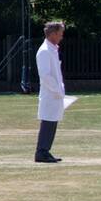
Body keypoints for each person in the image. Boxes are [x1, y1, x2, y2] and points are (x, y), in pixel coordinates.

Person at [35, 20, 67, 163]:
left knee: (52, 121)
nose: (61, 36)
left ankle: (45, 151)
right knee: (48, 122)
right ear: (53, 34)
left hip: (55, 94)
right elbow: (45, 75)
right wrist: (57, 90)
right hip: (50, 94)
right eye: (60, 33)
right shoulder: (44, 51)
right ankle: (41, 152)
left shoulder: (52, 49)